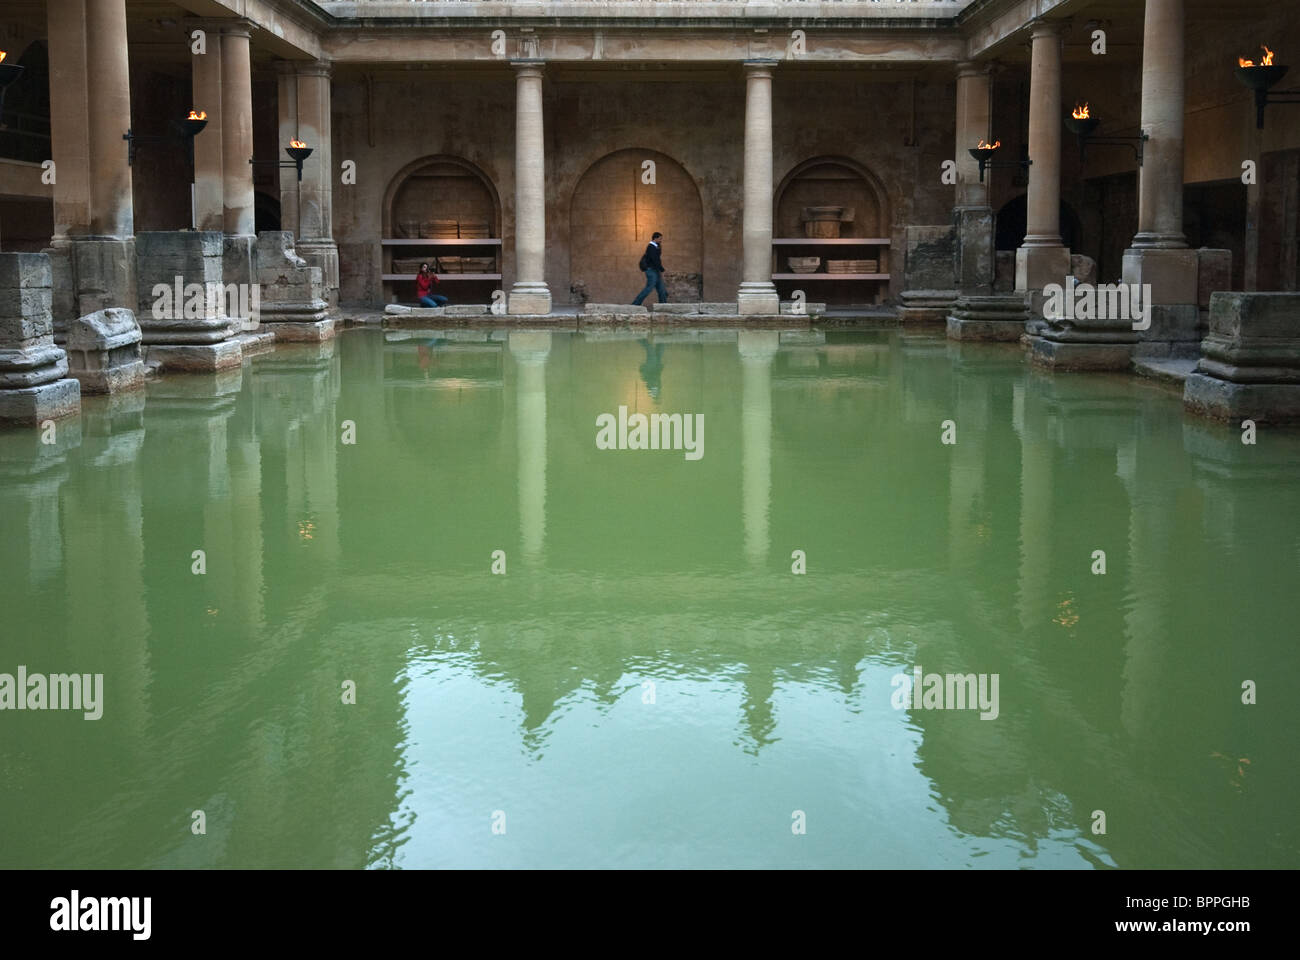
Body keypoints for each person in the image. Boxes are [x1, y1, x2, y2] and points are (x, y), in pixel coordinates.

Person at [632, 232, 668, 306]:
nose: (661, 240)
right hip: (651, 270)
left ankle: (663, 306)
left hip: (656, 270)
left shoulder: (656, 246)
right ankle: (635, 304)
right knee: (649, 288)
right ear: (655, 238)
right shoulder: (651, 247)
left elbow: (657, 259)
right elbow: (654, 259)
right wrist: (661, 269)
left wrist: (660, 269)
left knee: (661, 289)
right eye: (660, 239)